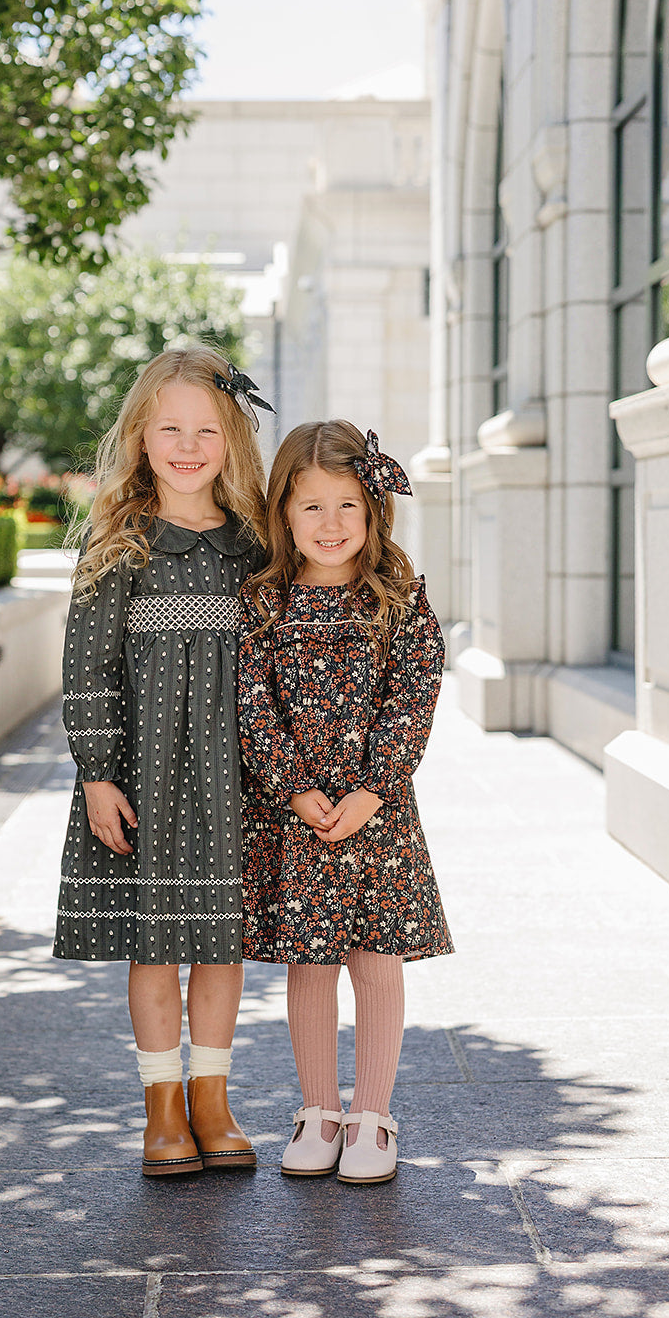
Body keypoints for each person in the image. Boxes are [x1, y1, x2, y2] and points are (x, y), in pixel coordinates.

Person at [53, 346, 272, 1178]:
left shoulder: (255, 545)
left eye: (206, 430)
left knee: (220, 945)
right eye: (169, 429)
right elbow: (87, 666)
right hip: (143, 776)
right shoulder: (119, 542)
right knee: (154, 949)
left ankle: (212, 1100)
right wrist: (96, 773)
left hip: (231, 778)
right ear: (140, 437)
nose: (187, 446)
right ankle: (162, 1111)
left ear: (233, 438)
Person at [238, 420, 453, 1185]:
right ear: (284, 515)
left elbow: (413, 696)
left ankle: (371, 1115)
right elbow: (251, 704)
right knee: (310, 960)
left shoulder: (397, 598)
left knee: (375, 956)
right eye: (312, 507)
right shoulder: (264, 602)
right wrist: (294, 788)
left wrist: (371, 789)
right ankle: (319, 1111)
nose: (330, 524)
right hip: (297, 813)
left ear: (373, 511)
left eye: (347, 506)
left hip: (376, 811)